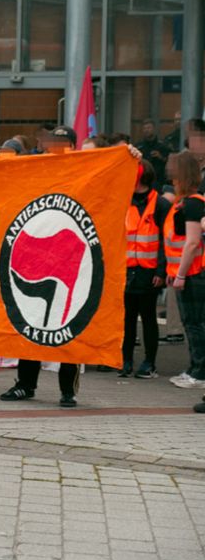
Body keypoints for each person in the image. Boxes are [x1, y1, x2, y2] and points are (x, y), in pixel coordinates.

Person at [1, 125, 81, 408]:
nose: (55, 146)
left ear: (73, 144)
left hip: (69, 256)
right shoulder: (37, 167)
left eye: (61, 142)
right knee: (30, 322)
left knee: (69, 325)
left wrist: (128, 153)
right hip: (38, 254)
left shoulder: (85, 170)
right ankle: (25, 384)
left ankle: (68, 390)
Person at [121, 160, 170, 378]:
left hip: (149, 273)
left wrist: (161, 271)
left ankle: (149, 362)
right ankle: (126, 360)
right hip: (126, 271)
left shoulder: (159, 204)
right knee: (127, 319)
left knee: (148, 317)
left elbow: (165, 240)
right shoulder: (124, 201)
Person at [164, 152, 205, 389]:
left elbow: (191, 242)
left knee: (195, 323)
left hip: (193, 274)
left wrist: (180, 274)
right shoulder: (185, 203)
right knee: (192, 323)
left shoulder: (191, 204)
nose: (171, 174)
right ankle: (194, 369)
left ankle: (199, 372)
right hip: (187, 272)